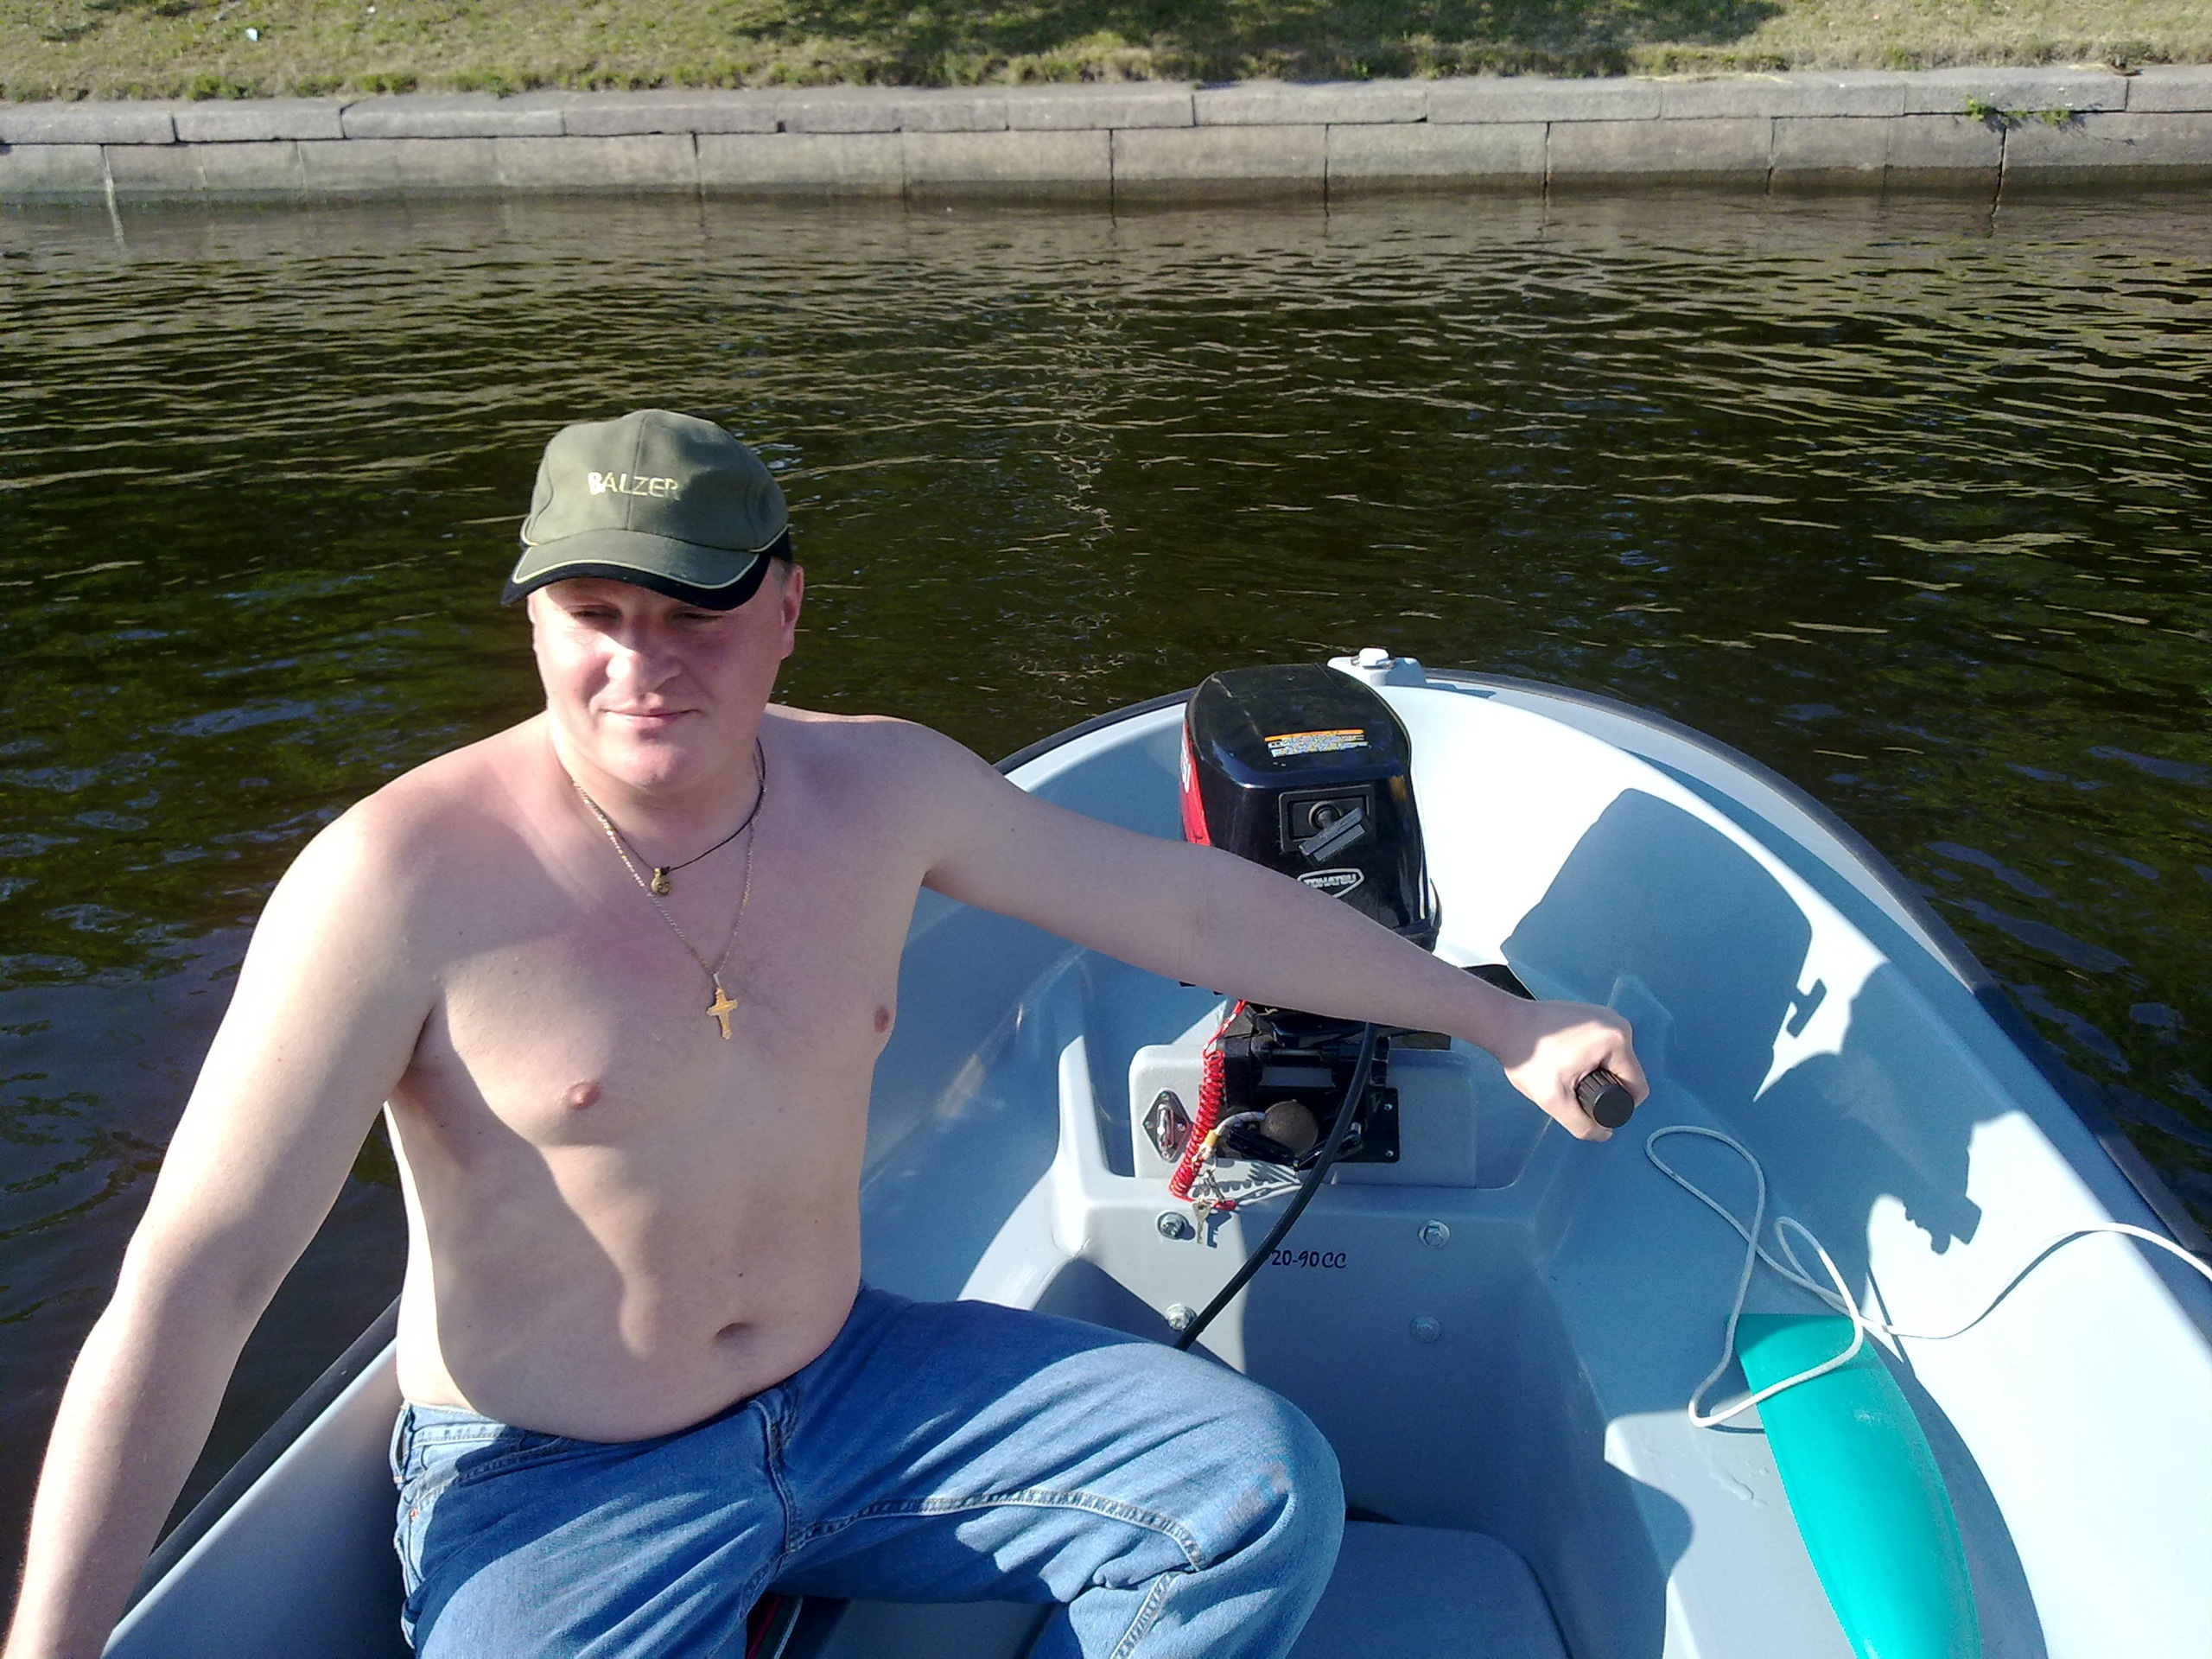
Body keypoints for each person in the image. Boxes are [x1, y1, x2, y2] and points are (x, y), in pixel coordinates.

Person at [4, 410, 1645, 1659]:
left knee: (1258, 1488)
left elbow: (1195, 912)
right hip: (556, 1480)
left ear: (788, 606)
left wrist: (1496, 1022)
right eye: (593, 611)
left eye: (695, 613)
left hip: (854, 1387)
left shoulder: (883, 788)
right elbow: (196, 1282)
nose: (639, 664)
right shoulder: (397, 881)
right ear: (535, 620)